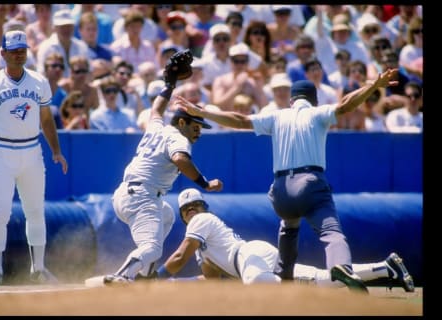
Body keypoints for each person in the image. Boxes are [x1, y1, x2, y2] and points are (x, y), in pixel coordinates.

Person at [174, 67, 400, 292]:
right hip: (310, 182)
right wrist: (372, 86)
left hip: (280, 190)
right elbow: (345, 105)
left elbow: (239, 119)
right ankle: (341, 266)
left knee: (289, 226)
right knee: (331, 231)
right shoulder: (317, 113)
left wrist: (202, 112)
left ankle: (284, 275)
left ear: (292, 100)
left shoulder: (277, 115)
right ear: (313, 100)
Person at [100, 50, 223, 284]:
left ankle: (145, 273)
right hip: (142, 196)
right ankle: (121, 276)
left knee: (166, 214)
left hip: (126, 194)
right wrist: (204, 183)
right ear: (183, 122)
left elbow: (156, 110)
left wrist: (169, 84)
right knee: (153, 248)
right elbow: (180, 159)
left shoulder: (158, 127)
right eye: (196, 125)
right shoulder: (179, 137)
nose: (199, 131)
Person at [155, 188, 415, 293]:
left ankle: (305, 296)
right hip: (254, 256)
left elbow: (178, 258)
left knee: (262, 291)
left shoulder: (201, 221)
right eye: (190, 208)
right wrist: (176, 282)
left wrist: (156, 278)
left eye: (196, 206)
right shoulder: (205, 244)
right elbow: (210, 279)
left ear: (200, 208)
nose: (193, 211)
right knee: (319, 278)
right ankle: (385, 267)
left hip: (248, 259)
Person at [0, 30, 68, 286]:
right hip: (1, 151)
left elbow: (46, 119)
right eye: (13, 50)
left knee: (35, 211)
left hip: (31, 151)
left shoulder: (39, 81)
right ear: (2, 53)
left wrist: (56, 150)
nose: (18, 54)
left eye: (22, 49)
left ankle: (39, 268)